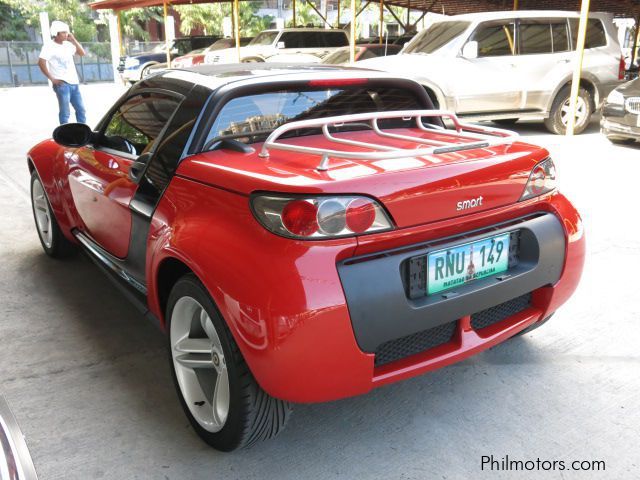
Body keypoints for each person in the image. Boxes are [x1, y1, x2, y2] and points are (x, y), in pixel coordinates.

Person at [38, 21, 87, 124]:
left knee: (81, 110)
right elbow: (41, 62)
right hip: (62, 84)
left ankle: (82, 133)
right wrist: (52, 79)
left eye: (66, 32)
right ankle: (64, 135)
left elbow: (82, 53)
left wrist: (73, 40)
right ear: (56, 33)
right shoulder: (49, 46)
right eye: (63, 32)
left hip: (74, 83)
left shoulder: (68, 45)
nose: (66, 34)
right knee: (65, 113)